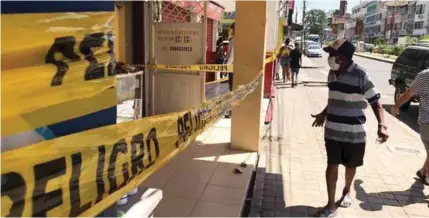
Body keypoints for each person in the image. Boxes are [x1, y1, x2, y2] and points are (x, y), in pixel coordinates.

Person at [311, 39, 389, 217]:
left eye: (333, 54)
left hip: (355, 133)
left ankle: (347, 192)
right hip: (332, 130)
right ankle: (331, 206)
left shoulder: (361, 74)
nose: (329, 57)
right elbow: (336, 98)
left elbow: (375, 101)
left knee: (350, 166)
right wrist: (324, 113)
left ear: (343, 57)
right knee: (332, 165)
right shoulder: (331, 73)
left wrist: (382, 125)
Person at [392, 69, 429, 185]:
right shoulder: (424, 76)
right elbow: (409, 93)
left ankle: (424, 172)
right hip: (427, 122)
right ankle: (424, 172)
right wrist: (396, 106)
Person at [225, 23, 235, 91]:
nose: (230, 31)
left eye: (231, 29)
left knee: (232, 87)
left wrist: (226, 68)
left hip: (232, 67)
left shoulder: (233, 40)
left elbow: (231, 55)